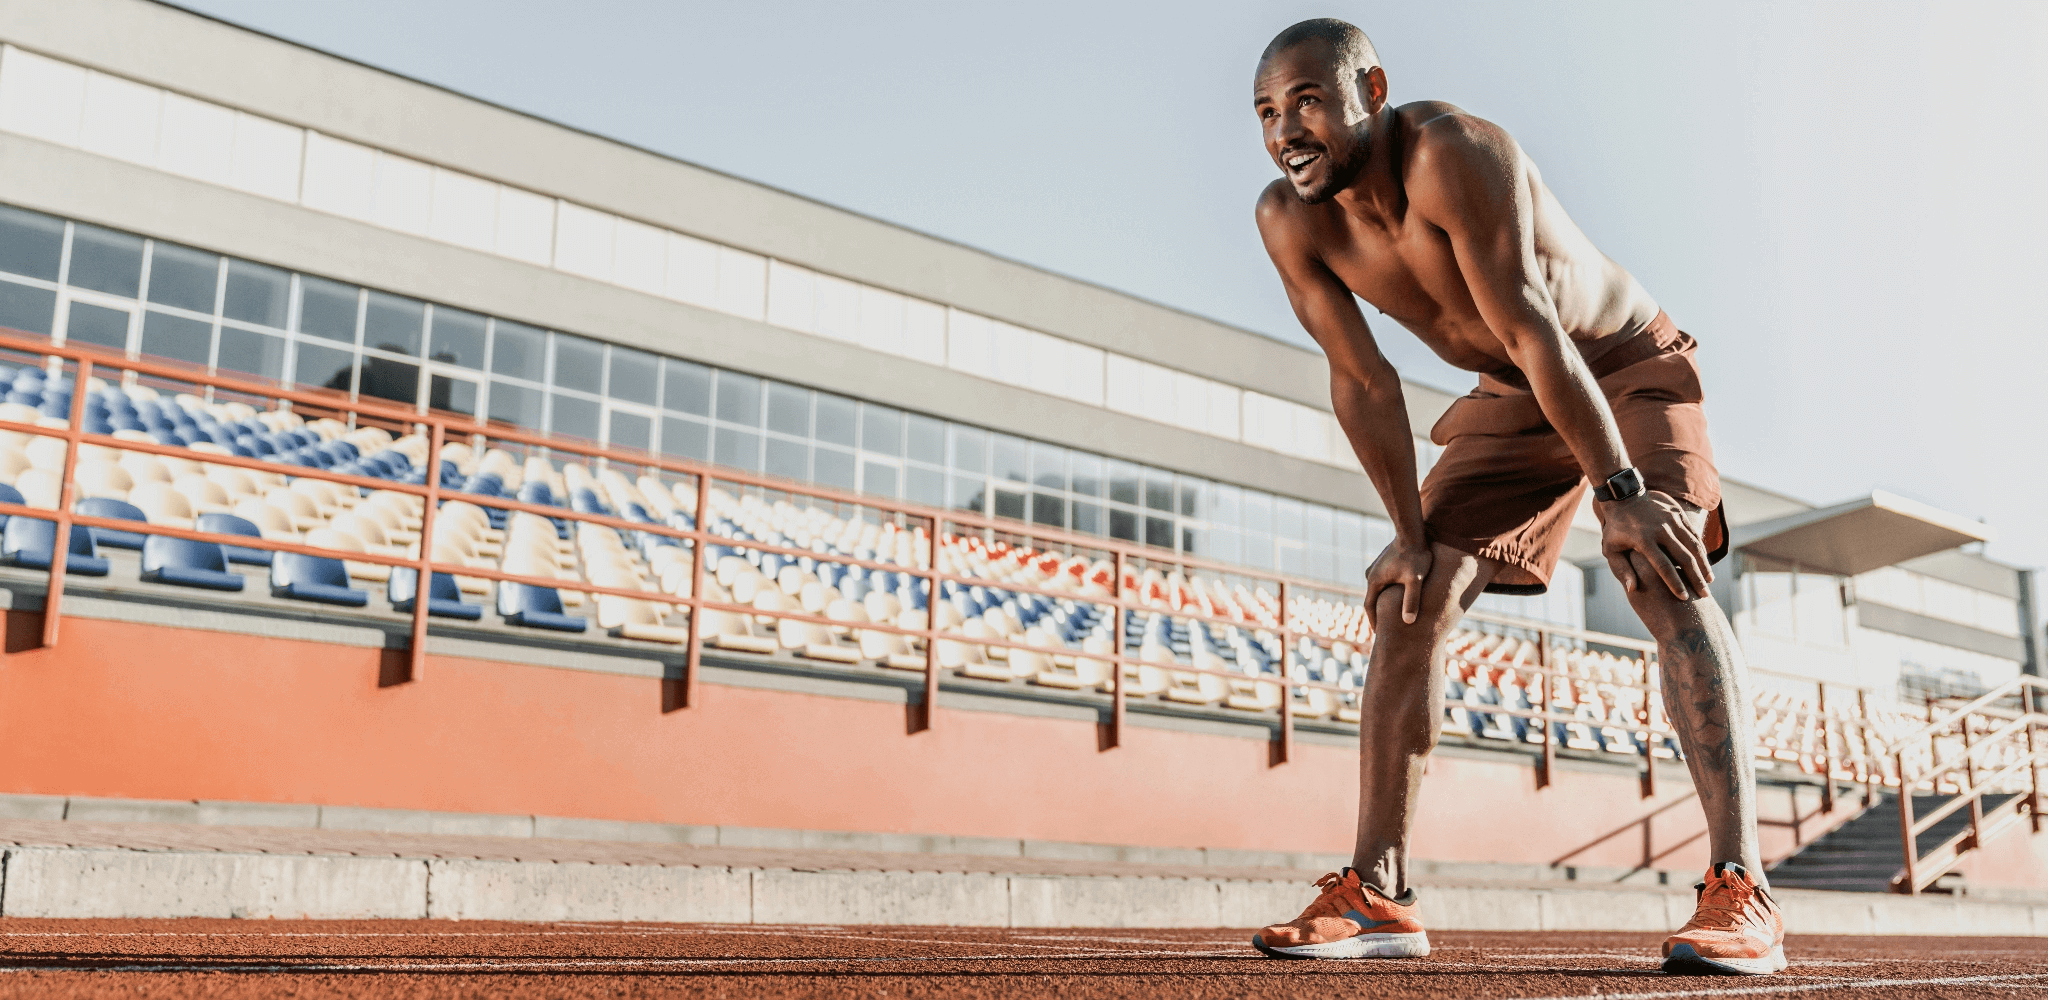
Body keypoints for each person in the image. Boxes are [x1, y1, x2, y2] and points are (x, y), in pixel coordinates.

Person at [1245, 18, 1783, 976]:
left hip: (1620, 367)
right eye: (1267, 112)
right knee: (1408, 596)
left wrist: (1621, 492)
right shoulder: (1291, 219)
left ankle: (1741, 887)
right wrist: (1409, 535)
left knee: (1658, 565)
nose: (1287, 127)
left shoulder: (1453, 152)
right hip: (1510, 398)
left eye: (1309, 99)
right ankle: (1378, 891)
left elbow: (1536, 327)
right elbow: (1362, 380)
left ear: (1371, 90)